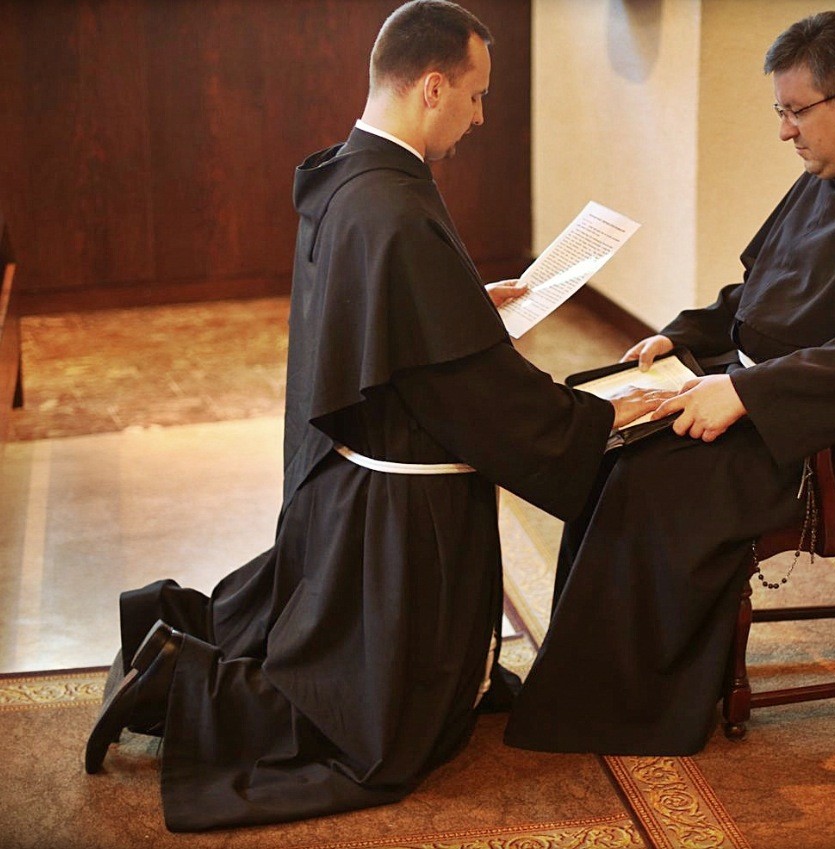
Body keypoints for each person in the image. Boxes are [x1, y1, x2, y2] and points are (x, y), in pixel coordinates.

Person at [83, 0, 658, 832]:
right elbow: (472, 395)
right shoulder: (394, 206)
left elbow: (374, 314)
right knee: (379, 731)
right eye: (475, 96)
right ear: (433, 87)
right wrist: (596, 417)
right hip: (403, 511)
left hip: (355, 477)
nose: (480, 116)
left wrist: (462, 301)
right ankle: (178, 685)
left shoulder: (355, 174)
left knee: (374, 679)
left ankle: (170, 650)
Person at [503, 10, 835, 758]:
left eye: (794, 111)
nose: (784, 131)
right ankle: (589, 684)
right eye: (780, 111)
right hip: (786, 398)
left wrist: (747, 395)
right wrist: (687, 337)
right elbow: (765, 290)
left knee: (652, 475)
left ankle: (622, 707)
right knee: (606, 433)